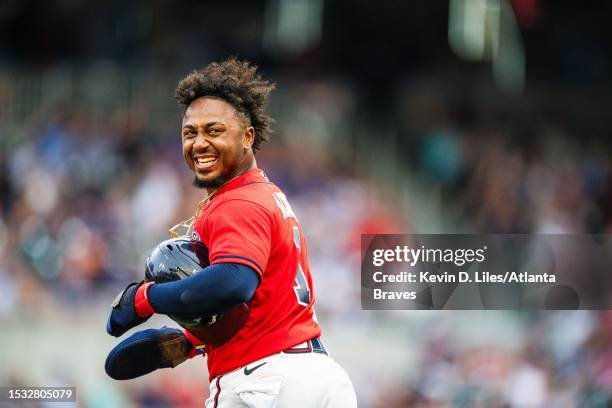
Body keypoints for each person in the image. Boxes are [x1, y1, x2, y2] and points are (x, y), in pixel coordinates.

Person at [105, 58, 357, 407]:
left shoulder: (237, 201)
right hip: (318, 378)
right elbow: (262, 301)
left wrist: (146, 298)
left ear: (248, 136)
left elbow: (233, 282)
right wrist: (195, 341)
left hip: (264, 382)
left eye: (215, 130)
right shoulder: (266, 194)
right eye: (190, 133)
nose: (199, 143)